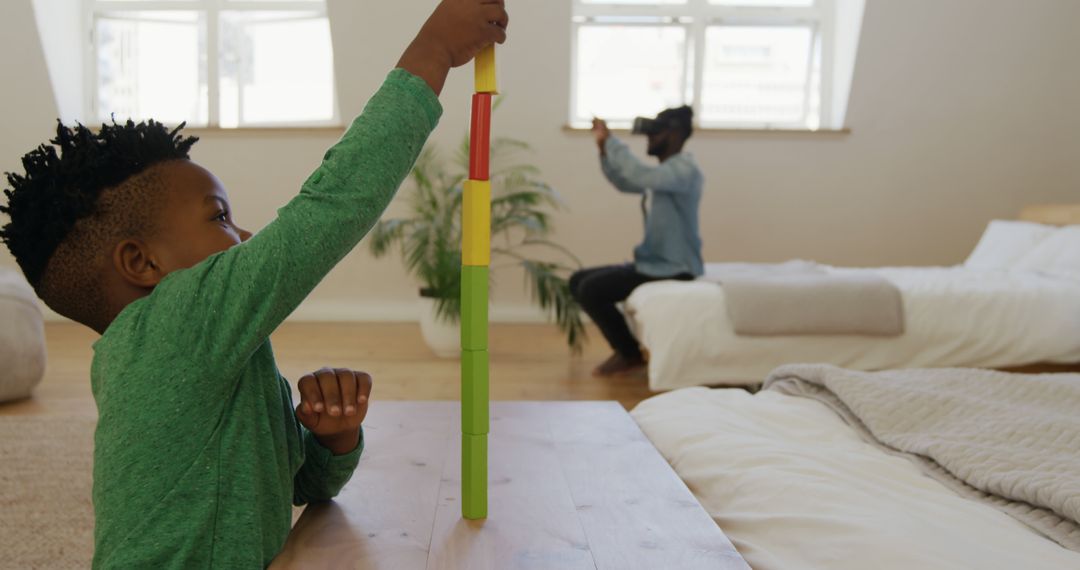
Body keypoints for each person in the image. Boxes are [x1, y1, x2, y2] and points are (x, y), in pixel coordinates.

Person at [0, 0, 508, 567]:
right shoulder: (176, 325)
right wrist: (433, 51)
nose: (244, 233)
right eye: (219, 217)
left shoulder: (202, 360)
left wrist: (332, 440)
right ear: (142, 265)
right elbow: (329, 208)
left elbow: (298, 489)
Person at [573, 106, 704, 377]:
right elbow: (625, 182)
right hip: (652, 263)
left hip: (675, 268)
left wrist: (613, 142)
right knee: (578, 281)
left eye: (656, 134)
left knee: (592, 290)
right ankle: (628, 351)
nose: (650, 139)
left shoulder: (684, 170)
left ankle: (629, 354)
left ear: (675, 133)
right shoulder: (664, 173)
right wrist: (604, 150)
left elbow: (639, 176)